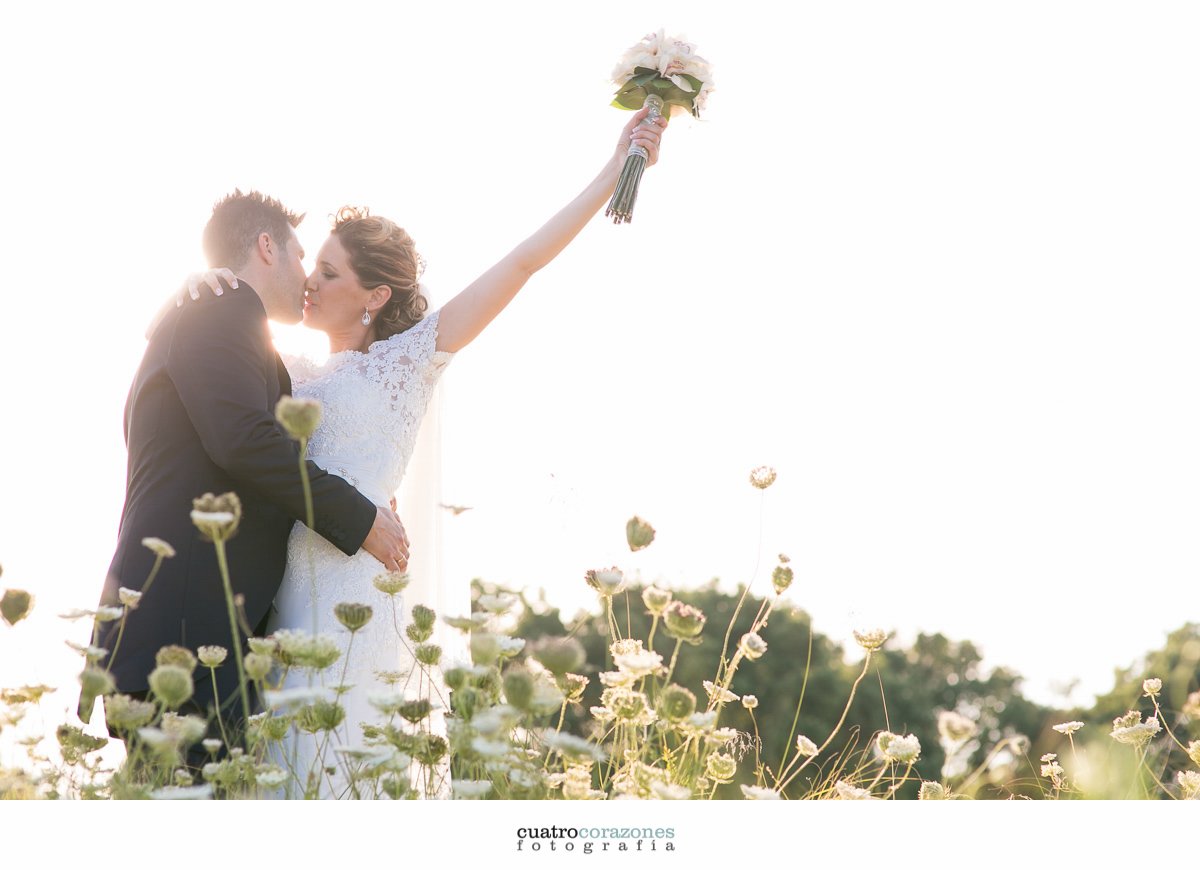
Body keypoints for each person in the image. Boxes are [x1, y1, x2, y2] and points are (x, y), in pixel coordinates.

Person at [180, 105, 668, 798]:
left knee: (351, 769)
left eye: (330, 271)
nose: (310, 281)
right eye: (310, 265)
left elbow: (524, 261)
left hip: (360, 598)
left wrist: (611, 171)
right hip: (280, 606)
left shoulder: (408, 363)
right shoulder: (282, 368)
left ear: (375, 296)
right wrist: (198, 287)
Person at [94, 191, 413, 774]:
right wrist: (361, 518)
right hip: (185, 638)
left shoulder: (218, 316)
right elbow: (243, 440)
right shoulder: (223, 306)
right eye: (300, 256)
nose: (308, 278)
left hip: (200, 641)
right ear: (267, 247)